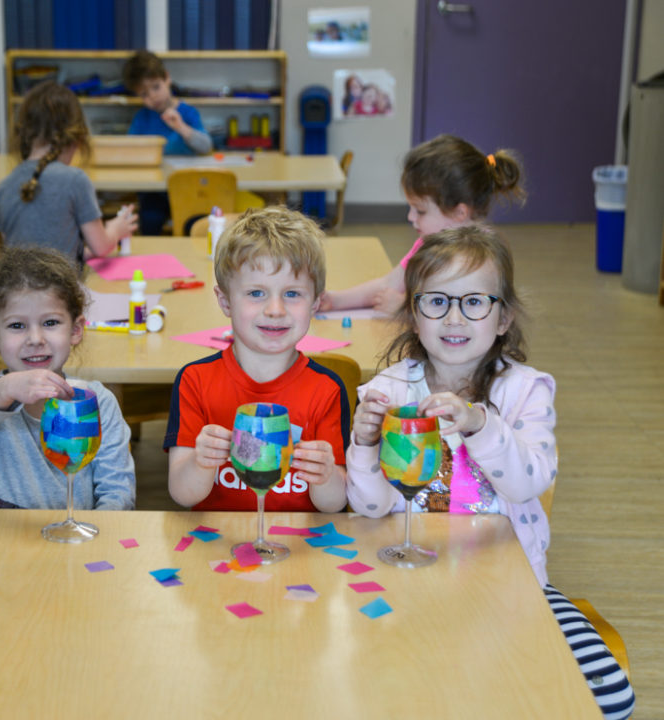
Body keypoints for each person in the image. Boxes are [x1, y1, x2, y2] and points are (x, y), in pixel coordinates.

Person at [345, 226, 635, 720]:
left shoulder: (524, 392)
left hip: (515, 585)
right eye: (436, 301)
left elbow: (527, 482)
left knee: (610, 698)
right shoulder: (391, 390)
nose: (454, 317)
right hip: (409, 581)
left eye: (475, 302)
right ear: (413, 316)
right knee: (379, 687)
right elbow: (370, 508)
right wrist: (364, 445)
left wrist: (480, 423)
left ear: (503, 317)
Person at [0, 247, 135, 649]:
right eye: (17, 326)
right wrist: (7, 389)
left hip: (75, 546)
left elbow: (117, 488)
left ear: (76, 330)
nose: (35, 339)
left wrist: (100, 537)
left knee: (71, 639)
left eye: (51, 322)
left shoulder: (97, 402)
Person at [165, 207, 349, 512]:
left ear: (315, 302)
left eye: (292, 294)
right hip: (216, 546)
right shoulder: (195, 381)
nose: (275, 309)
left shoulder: (327, 389)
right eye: (256, 293)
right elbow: (183, 495)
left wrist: (326, 476)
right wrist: (200, 461)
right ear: (224, 301)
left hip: (300, 550)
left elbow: (333, 505)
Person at [321, 134, 524, 315]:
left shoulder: (484, 258)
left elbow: (463, 319)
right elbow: (389, 284)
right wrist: (335, 300)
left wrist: (405, 309)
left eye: (420, 211)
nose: (410, 217)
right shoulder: (427, 244)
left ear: (459, 212)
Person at [0, 81, 137, 266]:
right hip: (60, 293)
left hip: (17, 292)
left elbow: (26, 255)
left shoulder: (4, 187)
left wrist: (82, 253)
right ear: (76, 139)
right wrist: (116, 230)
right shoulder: (75, 180)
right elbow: (101, 247)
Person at [122, 50, 213, 235]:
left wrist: (181, 127)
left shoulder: (188, 113)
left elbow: (206, 146)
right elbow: (129, 152)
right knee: (149, 219)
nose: (152, 97)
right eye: (144, 94)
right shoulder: (142, 118)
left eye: (156, 87)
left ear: (167, 79)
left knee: (194, 223)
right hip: (154, 191)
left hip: (188, 189)